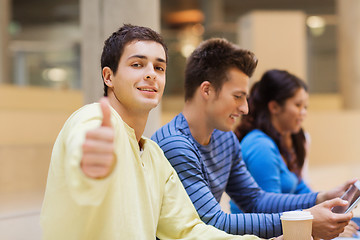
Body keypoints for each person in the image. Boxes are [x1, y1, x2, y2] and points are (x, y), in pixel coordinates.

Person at [40, 24, 268, 240]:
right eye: (137, 64)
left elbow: (187, 232)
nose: (151, 74)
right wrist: (90, 164)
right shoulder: (93, 119)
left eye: (159, 67)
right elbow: (84, 147)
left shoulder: (154, 156)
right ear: (108, 76)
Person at [151, 38, 354, 239]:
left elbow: (255, 200)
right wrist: (305, 219)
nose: (245, 108)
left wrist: (322, 197)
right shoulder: (175, 145)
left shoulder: (224, 138)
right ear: (207, 90)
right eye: (238, 96)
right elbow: (213, 223)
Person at [229, 69, 359, 237]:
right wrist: (316, 223)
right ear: (274, 107)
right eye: (298, 105)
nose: (303, 112)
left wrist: (327, 200)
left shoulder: (281, 143)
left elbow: (301, 190)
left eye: (305, 107)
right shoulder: (260, 146)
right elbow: (267, 214)